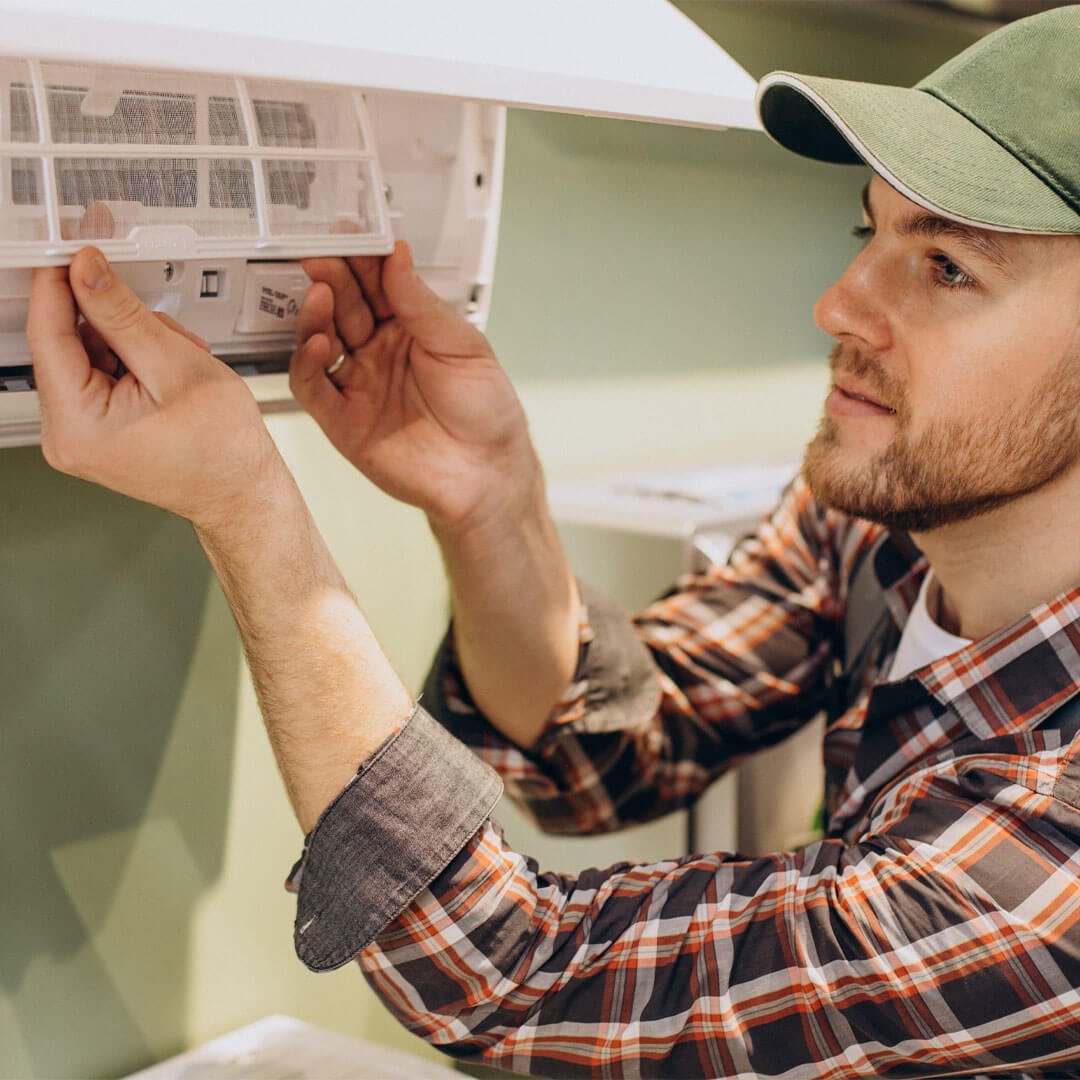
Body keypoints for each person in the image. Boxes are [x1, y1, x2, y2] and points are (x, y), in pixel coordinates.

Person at [27, 5, 1080, 1077]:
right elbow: (612, 750)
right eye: (871, 233)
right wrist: (491, 499)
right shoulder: (883, 531)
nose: (836, 306)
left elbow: (513, 969)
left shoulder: (1061, 856)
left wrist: (250, 508)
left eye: (948, 266)